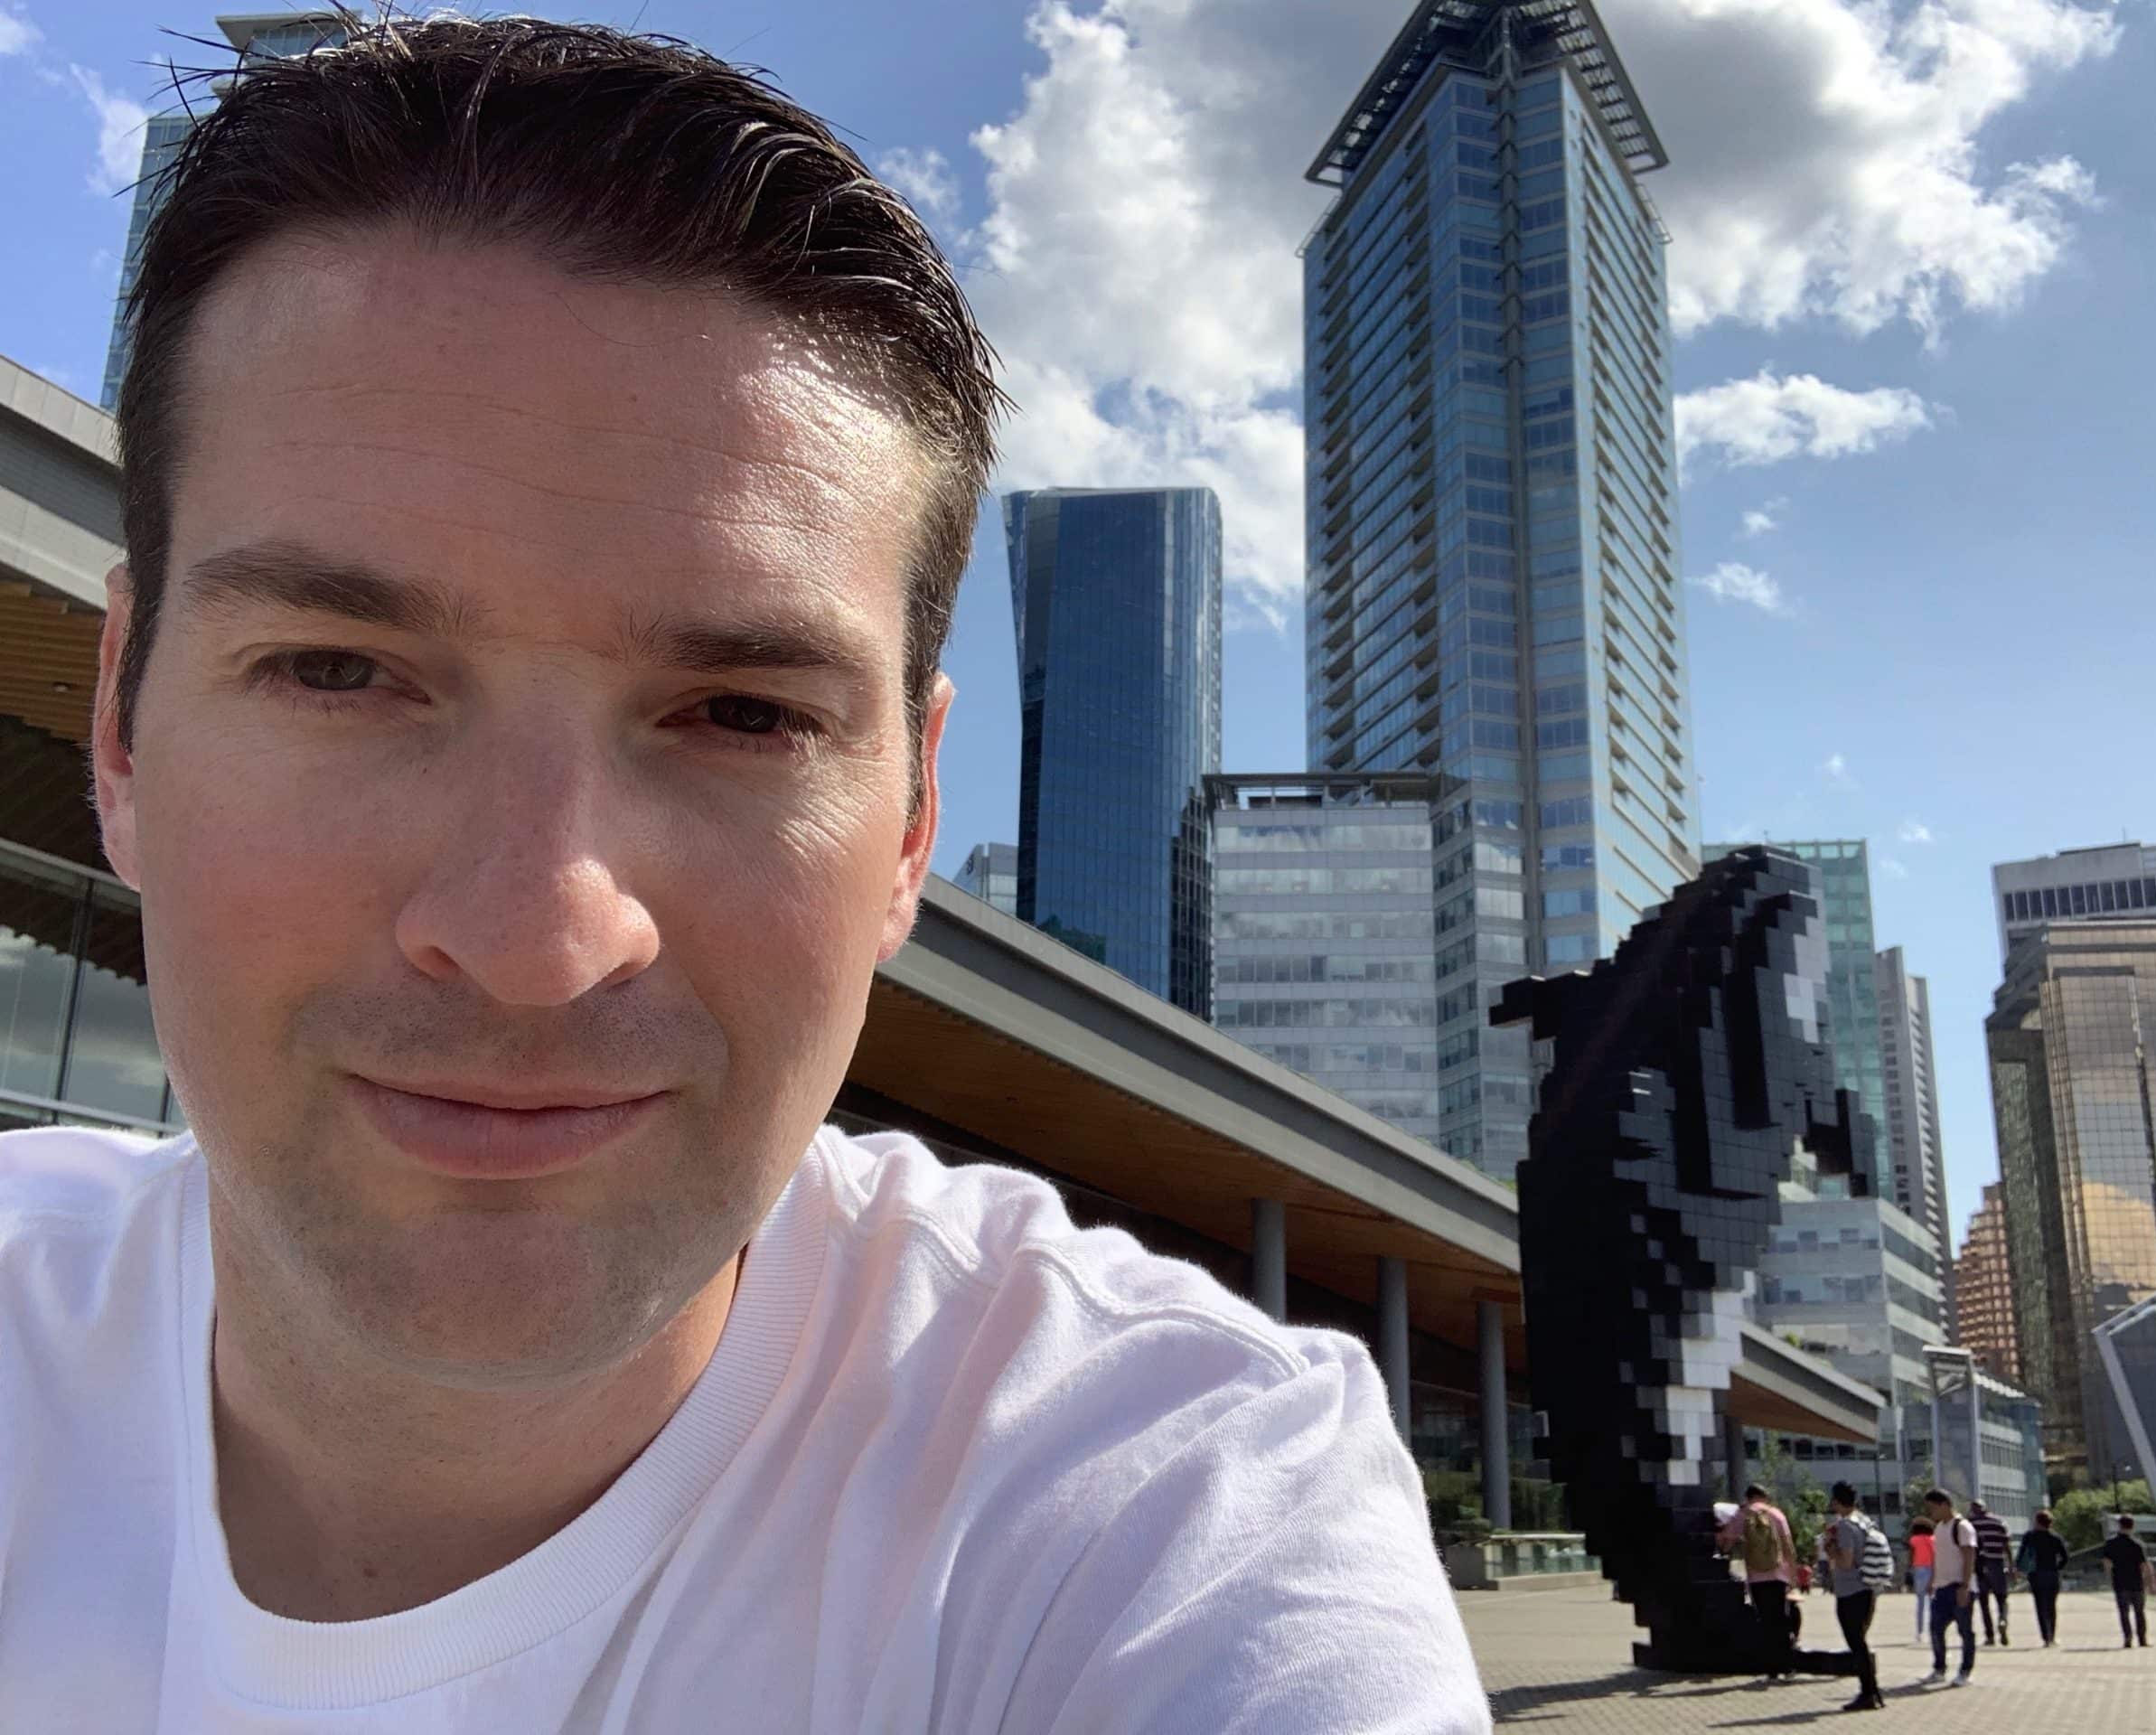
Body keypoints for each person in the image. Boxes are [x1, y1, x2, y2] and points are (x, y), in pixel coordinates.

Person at [0, 16, 1494, 1730]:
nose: (532, 937)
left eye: (736, 713)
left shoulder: (1172, 1511)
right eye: (339, 671)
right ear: (119, 723)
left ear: (913, 828)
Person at [1719, 1483, 1801, 1682]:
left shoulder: (1743, 1514)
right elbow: (1788, 1546)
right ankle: (1788, 1668)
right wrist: (1793, 1575)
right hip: (1779, 1575)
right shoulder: (1776, 1514)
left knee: (1765, 1622)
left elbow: (1726, 1542)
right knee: (1781, 1620)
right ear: (1764, 1496)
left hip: (1756, 1578)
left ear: (1748, 1497)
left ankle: (1771, 1671)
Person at [1823, 1481, 1885, 1712]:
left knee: (1856, 1643)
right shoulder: (1865, 1521)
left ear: (1837, 1502)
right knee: (1860, 1641)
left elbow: (1846, 1562)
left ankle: (1867, 1693)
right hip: (1868, 1588)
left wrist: (1830, 1549)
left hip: (1851, 1591)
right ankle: (1873, 1691)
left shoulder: (1846, 1527)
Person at [1922, 1488, 1977, 1687]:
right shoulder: (1939, 1528)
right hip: (1942, 1587)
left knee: (1965, 1631)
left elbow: (1969, 1556)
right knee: (1936, 1628)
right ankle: (1939, 1669)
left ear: (1944, 1505)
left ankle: (1965, 1671)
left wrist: (1965, 1586)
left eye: (1932, 1508)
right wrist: (1932, 1580)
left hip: (1959, 1587)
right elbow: (1938, 1557)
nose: (1931, 1513)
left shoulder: (1962, 1527)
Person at [2013, 1508, 2071, 1646]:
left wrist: (2019, 1569)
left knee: (2040, 1606)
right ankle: (2052, 1636)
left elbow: (2021, 1554)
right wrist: (2058, 1568)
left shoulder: (2029, 1536)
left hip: (2036, 1574)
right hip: (2052, 1574)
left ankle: (2045, 1636)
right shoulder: (2055, 1537)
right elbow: (2065, 1557)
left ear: (2037, 1522)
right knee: (2051, 1606)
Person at [1969, 1498, 2012, 1646]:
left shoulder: (1970, 1524)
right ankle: (2002, 1619)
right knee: (2002, 1599)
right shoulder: (1999, 1522)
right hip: (1998, 1564)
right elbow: (2007, 1545)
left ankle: (1990, 1636)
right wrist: (2011, 1565)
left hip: (1979, 1566)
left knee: (1984, 1602)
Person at [2106, 1514, 2151, 1648]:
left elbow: (2107, 1563)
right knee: (2139, 1612)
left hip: (2120, 1582)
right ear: (2132, 1526)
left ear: (2119, 1525)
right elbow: (2143, 1565)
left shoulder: (2111, 1543)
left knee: (2123, 1612)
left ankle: (2128, 1638)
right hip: (2136, 1582)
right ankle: (2142, 1639)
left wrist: (2111, 1577)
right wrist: (2147, 1580)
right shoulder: (2137, 1545)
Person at [1908, 1518, 1936, 1638]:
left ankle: (1920, 1631)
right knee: (1932, 1603)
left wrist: (1910, 1566)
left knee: (1920, 1603)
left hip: (1918, 1569)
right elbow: (1935, 1555)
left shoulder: (1914, 1540)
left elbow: (1911, 1555)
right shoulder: (1932, 1540)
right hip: (1931, 1569)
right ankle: (1933, 1629)